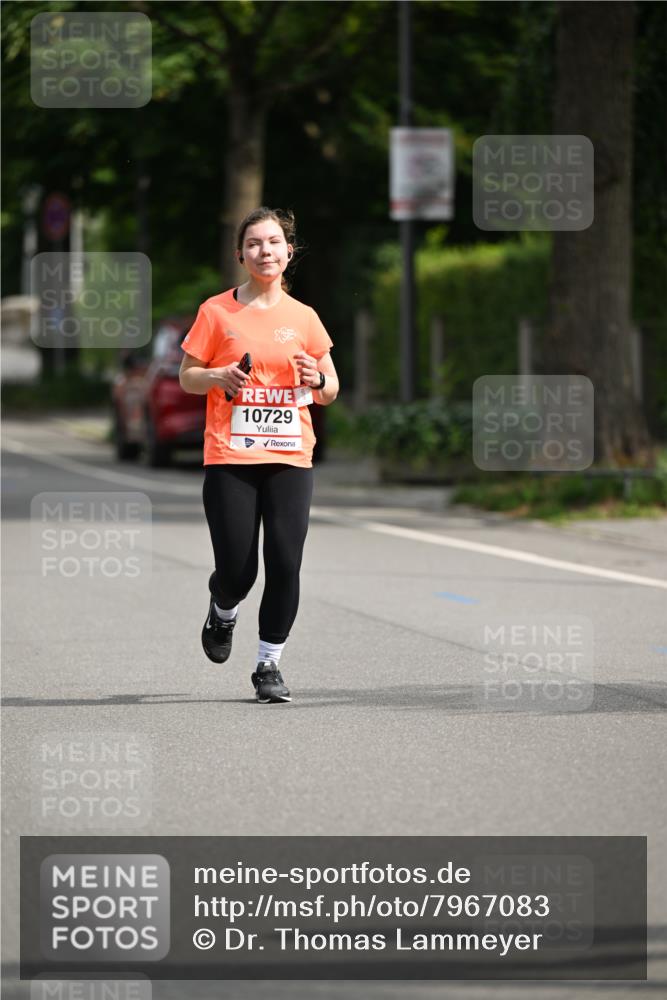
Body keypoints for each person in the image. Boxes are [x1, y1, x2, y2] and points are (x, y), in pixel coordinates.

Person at [179, 207, 339, 704]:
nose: (264, 251)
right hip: (231, 455)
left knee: (286, 562)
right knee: (237, 569)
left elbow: (330, 386)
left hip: (291, 456)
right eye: (254, 244)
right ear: (240, 255)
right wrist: (218, 376)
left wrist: (317, 380)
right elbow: (188, 375)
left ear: (289, 252)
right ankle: (223, 607)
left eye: (273, 243)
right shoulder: (216, 312)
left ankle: (268, 664)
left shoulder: (304, 318)